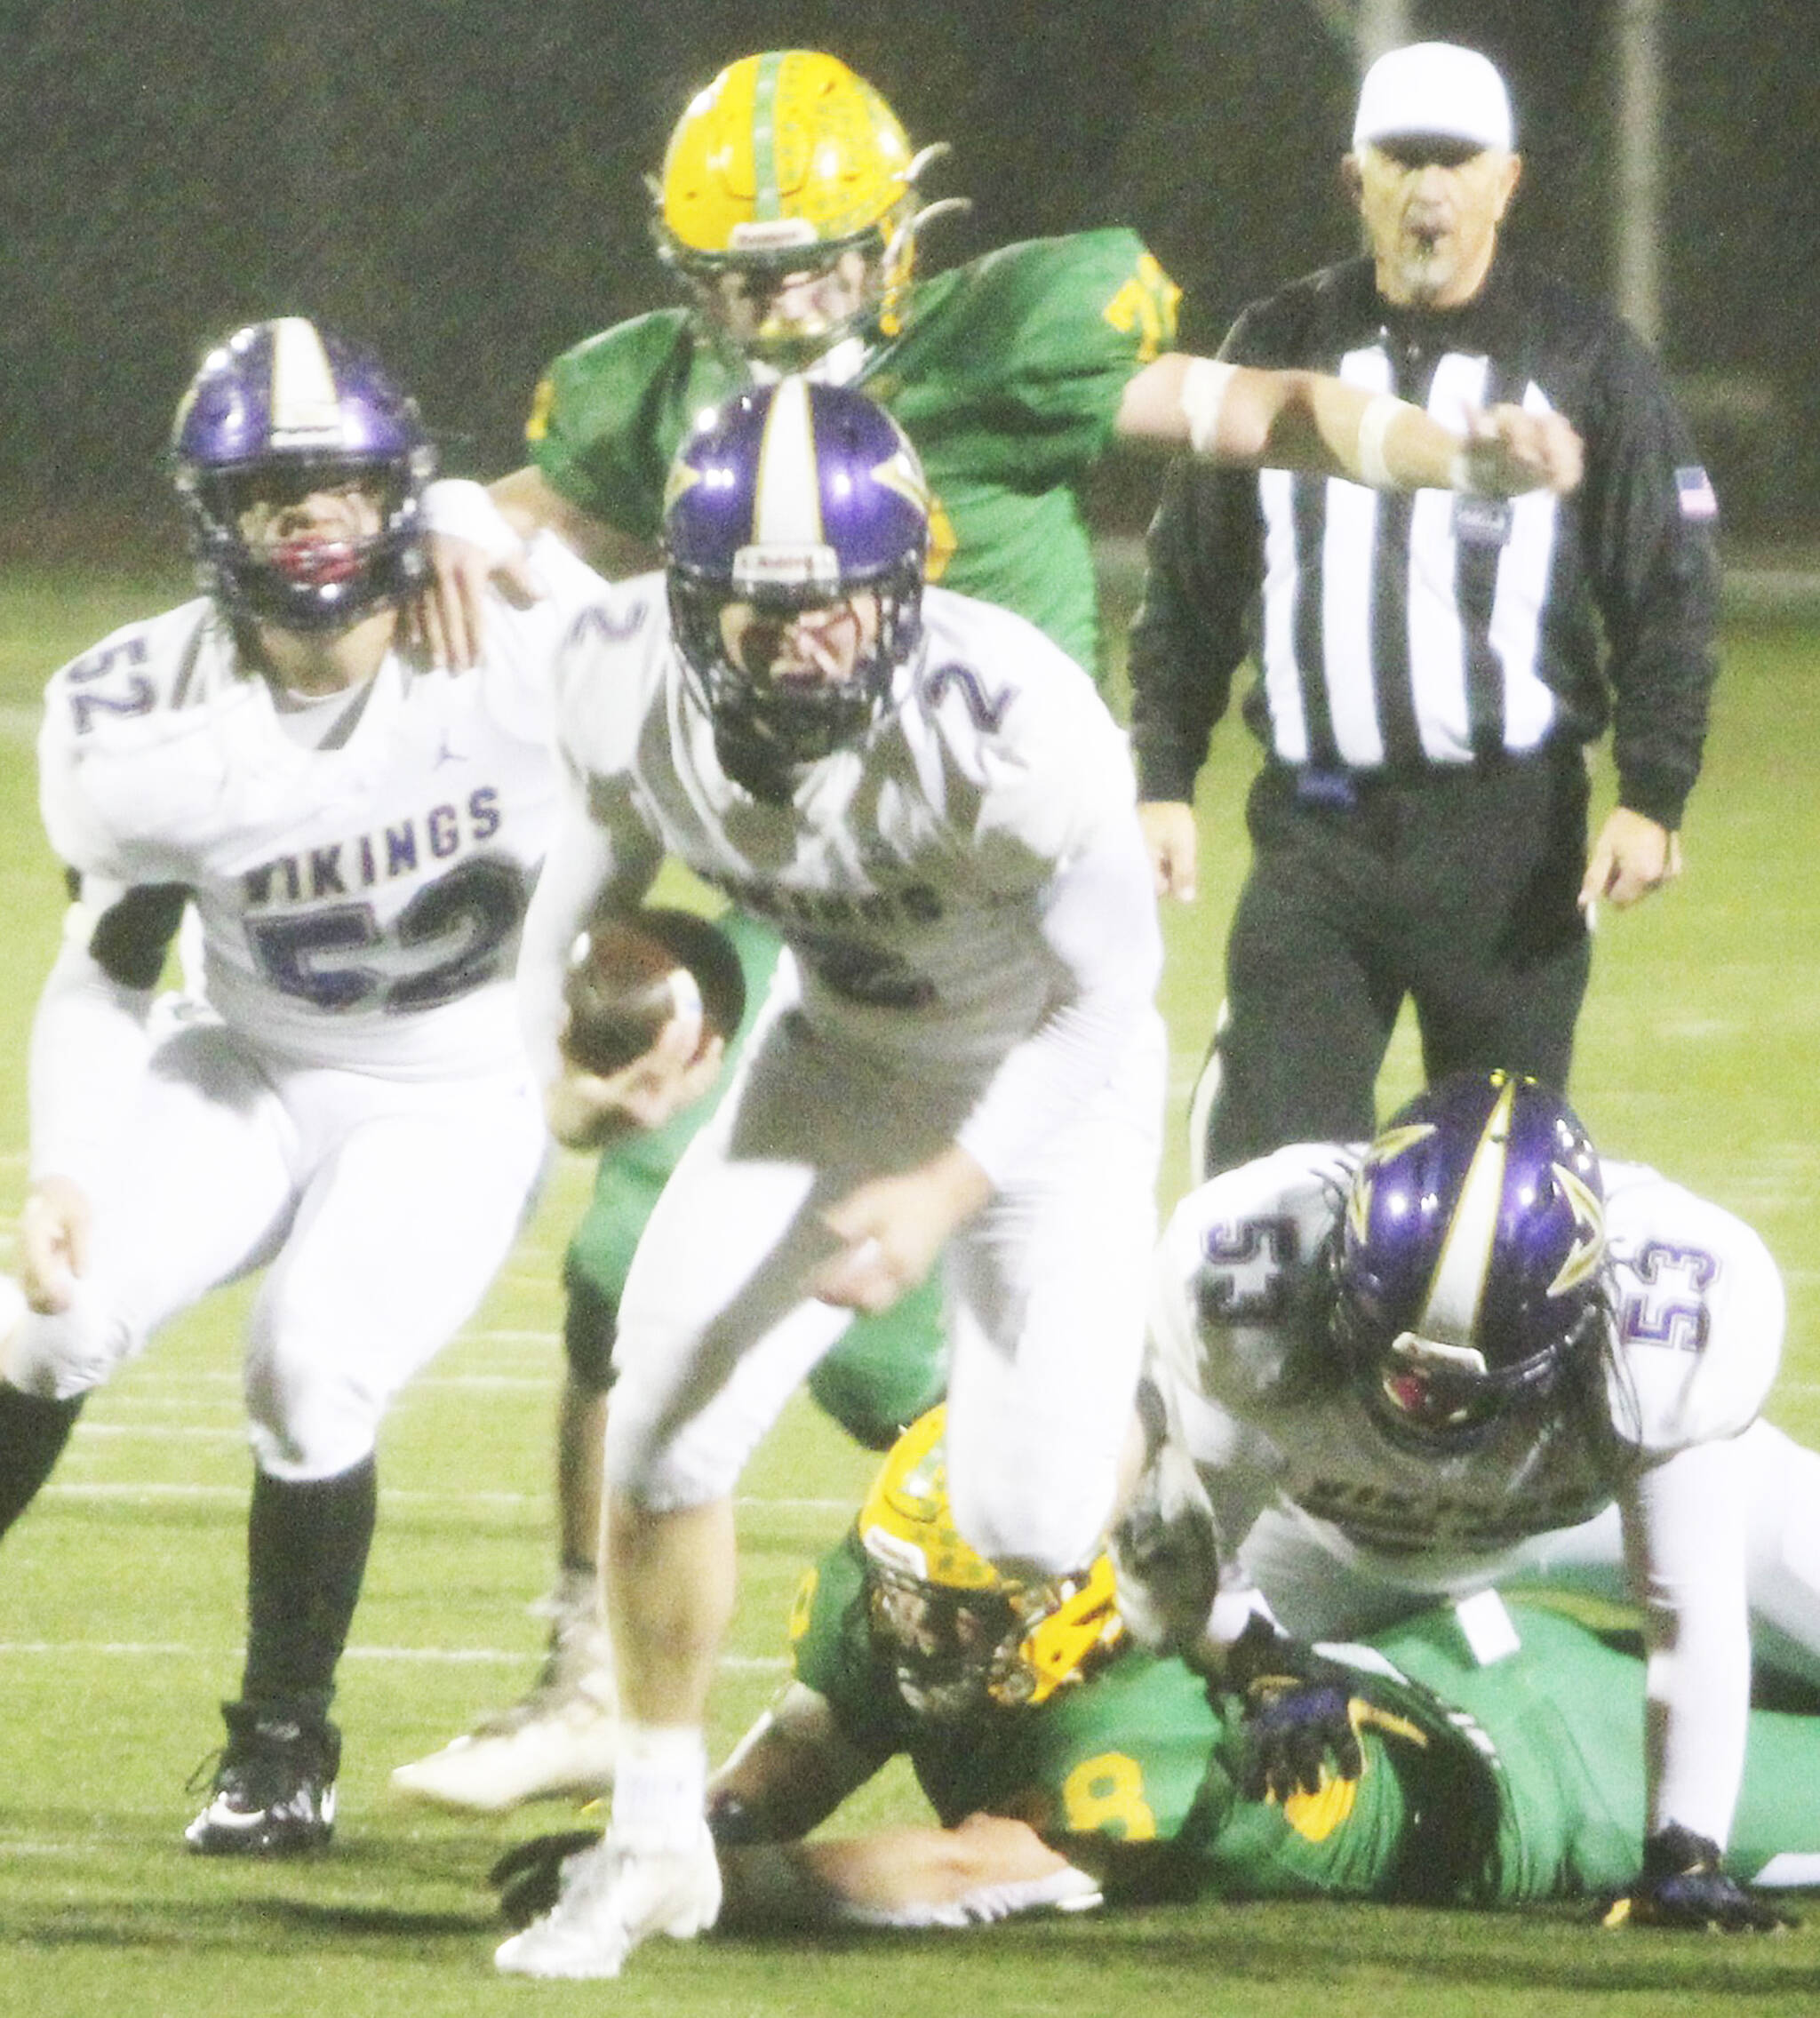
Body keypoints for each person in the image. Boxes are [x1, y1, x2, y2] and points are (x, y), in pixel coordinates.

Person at [395, 43, 1585, 1815]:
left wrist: (1440, 449)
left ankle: (1166, 1557)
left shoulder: (993, 348)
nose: (785, 312)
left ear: (893, 244)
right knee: (635, 1270)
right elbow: (517, 523)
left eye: (814, 268)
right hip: (816, 897)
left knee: (948, 1403)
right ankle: (611, 1663)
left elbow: (1253, 407)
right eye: (743, 279)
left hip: (1015, 905)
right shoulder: (652, 398)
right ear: (683, 273)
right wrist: (417, 510)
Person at [488, 374, 1179, 1979]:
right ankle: (653, 1840)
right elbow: (583, 882)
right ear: (684, 596)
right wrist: (569, 1072)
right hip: (838, 1056)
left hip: (1043, 1085)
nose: (798, 646)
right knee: (662, 1413)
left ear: (902, 590)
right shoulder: (613, 674)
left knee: (1026, 1523)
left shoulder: (1012, 727)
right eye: (756, 611)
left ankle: (1168, 1424)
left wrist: (949, 1189)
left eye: (834, 610)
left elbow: (1105, 1004)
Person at [0, 316, 634, 1854]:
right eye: (273, 491)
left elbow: (667, 673)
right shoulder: (131, 710)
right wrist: (65, 1164)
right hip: (247, 1056)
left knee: (310, 1363)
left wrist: (501, 529)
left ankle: (282, 1744)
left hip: (455, 1084)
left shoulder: (526, 642)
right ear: (212, 515)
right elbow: (109, 958)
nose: (311, 522)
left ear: (404, 494)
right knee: (39, 1314)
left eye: (341, 487)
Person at [491, 1405, 1808, 1934]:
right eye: (903, 1588)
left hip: (1543, 1775)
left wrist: (711, 1889)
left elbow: (959, 1864)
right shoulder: (904, 1599)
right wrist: (690, 1822)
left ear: (1069, 1605)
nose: (909, 1626)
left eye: (950, 1608)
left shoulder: (1142, 1711)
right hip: (1436, 1662)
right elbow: (824, 1728)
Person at [1126, 40, 1720, 1179]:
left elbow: (1664, 587)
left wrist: (1653, 793)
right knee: (1275, 1179)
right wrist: (1159, 772)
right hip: (1315, 834)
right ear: (1355, 180)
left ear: (1508, 180)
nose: (1430, 190)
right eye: (1404, 159)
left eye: (1458, 161)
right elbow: (1191, 580)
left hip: (1507, 842)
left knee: (1493, 1200)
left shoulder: (1583, 356)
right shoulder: (1283, 343)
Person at [1132, 1067, 1820, 1932]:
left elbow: (1687, 1606)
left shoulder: (1664, 1318)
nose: (1430, 1409)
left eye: (1468, 1387)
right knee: (1143, 1694)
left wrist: (1683, 1852)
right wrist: (1252, 1651)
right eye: (1405, 1373)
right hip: (1325, 1541)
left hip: (1592, 1511)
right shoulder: (1251, 1275)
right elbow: (1174, 1541)